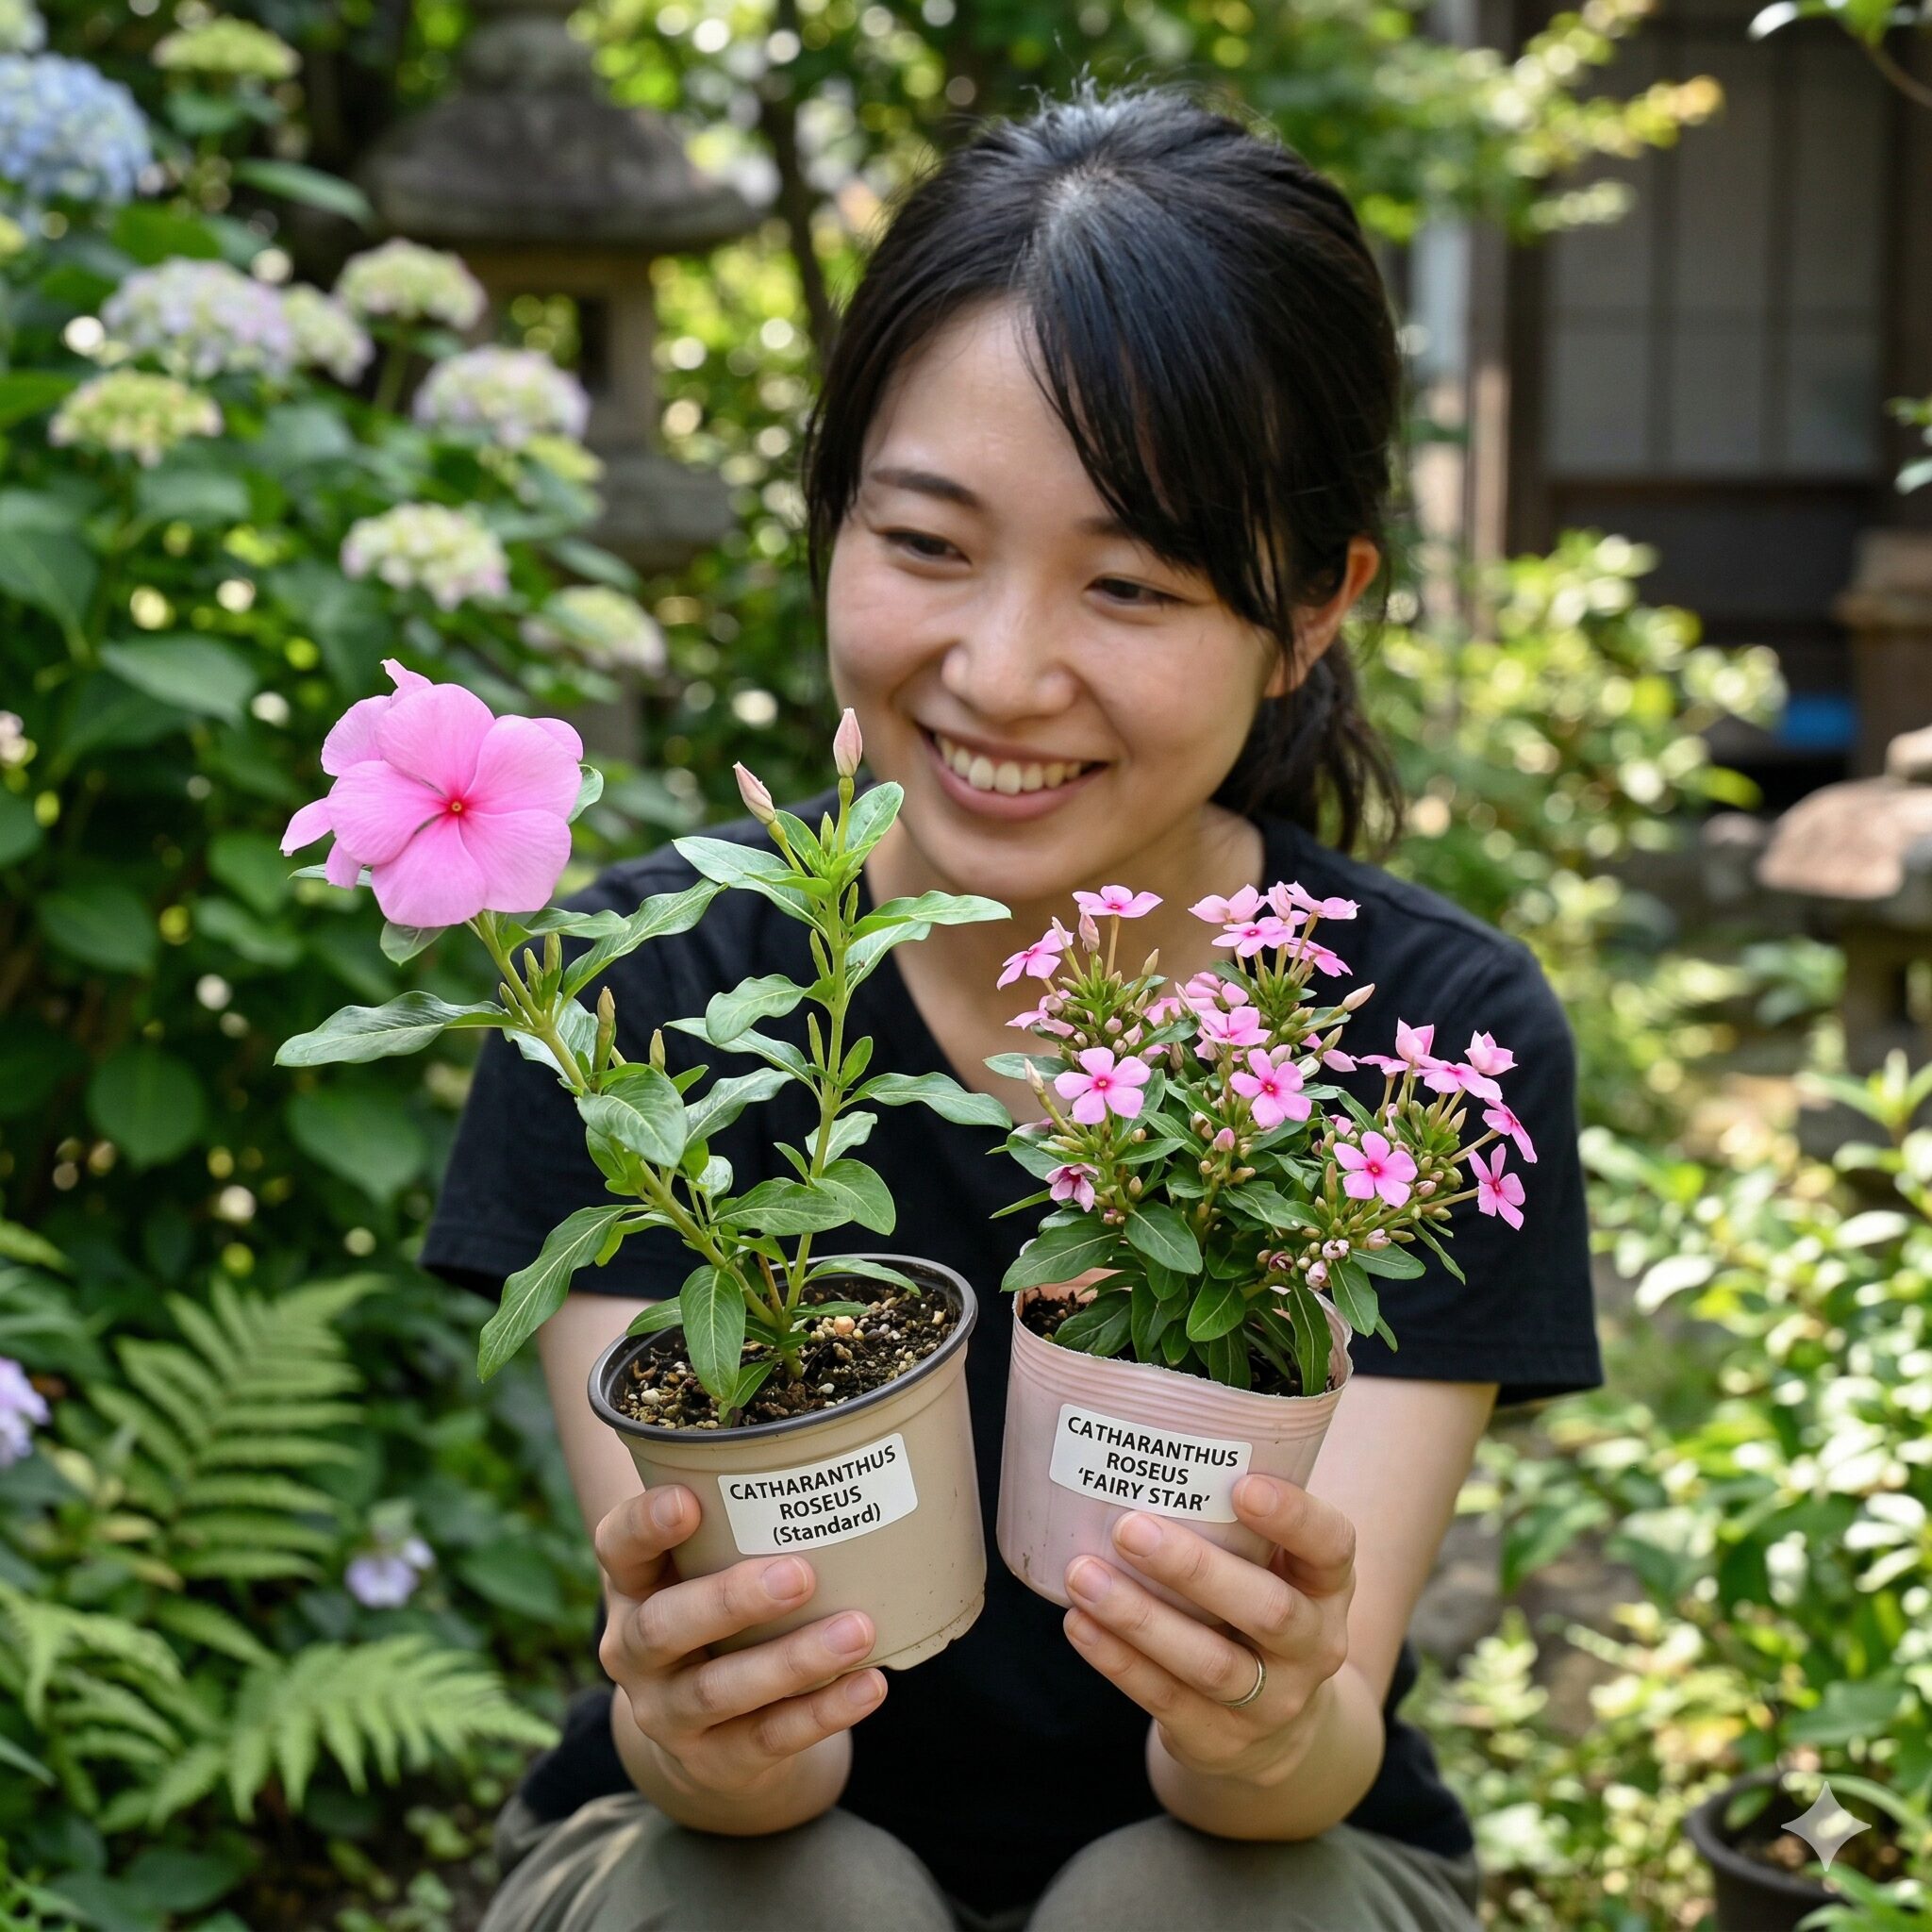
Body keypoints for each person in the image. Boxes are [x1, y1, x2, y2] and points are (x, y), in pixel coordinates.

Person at [422, 74, 1603, 1932]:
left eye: (1128, 581)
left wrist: (1266, 1715)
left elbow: (1294, 1770)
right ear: (831, 520)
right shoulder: (637, 1006)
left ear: (1310, 612)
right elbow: (739, 1775)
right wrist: (705, 1726)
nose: (999, 671)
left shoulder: (1421, 1049)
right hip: (733, 1858)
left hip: (1257, 1858)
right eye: (924, 544)